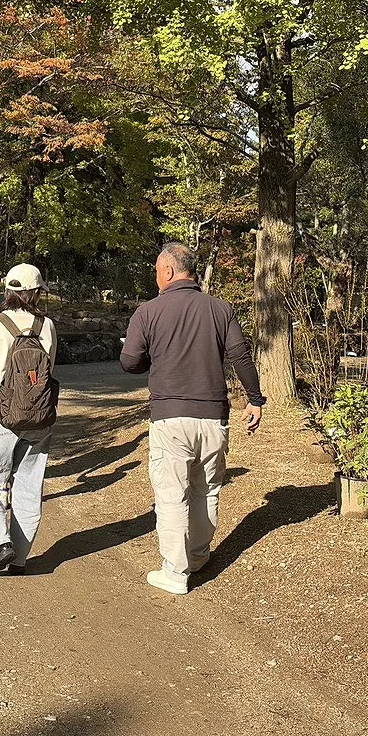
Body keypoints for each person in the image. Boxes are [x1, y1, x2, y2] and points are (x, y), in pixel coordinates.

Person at [120, 241, 266, 595]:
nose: (156, 278)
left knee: (172, 493)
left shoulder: (148, 312)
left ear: (168, 271)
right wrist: (255, 398)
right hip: (213, 417)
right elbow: (240, 356)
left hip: (170, 418)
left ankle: (175, 571)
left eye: (156, 271)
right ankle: (199, 555)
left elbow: (129, 363)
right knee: (207, 489)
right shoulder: (220, 309)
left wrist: (150, 357)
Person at [0, 263, 57, 575]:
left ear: (8, 291)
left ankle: (1, 542)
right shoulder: (48, 327)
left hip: (2, 416)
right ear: (37, 293)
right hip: (40, 417)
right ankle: (19, 559)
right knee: (29, 485)